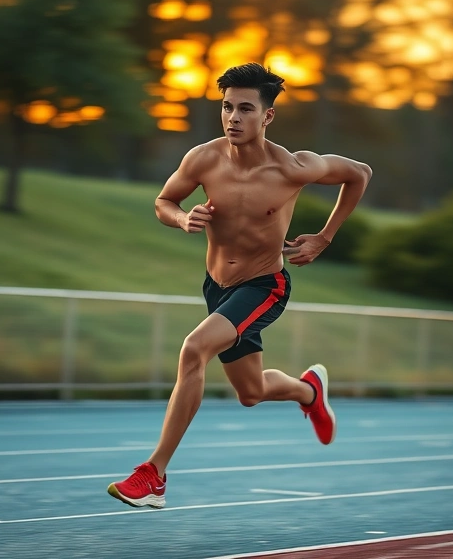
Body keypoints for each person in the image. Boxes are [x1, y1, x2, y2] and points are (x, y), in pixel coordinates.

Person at [107, 63, 373, 509]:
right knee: (250, 393)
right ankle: (309, 391)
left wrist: (325, 237)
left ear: (267, 116)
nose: (233, 117)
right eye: (227, 107)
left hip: (264, 285)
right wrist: (181, 218)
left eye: (245, 109)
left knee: (194, 349)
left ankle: (154, 474)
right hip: (217, 287)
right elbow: (164, 201)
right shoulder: (203, 158)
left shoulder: (293, 168)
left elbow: (359, 173)